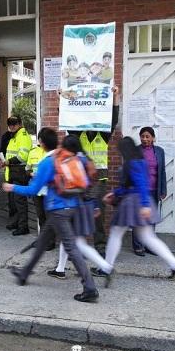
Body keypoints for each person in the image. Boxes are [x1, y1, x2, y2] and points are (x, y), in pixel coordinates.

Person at [4, 130, 100, 303]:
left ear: (41, 142)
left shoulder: (47, 162)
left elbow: (33, 190)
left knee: (70, 247)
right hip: (74, 206)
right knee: (42, 241)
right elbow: (87, 177)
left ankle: (90, 287)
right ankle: (24, 274)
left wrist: (13, 188)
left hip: (58, 210)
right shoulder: (70, 157)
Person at [91, 137, 175, 281]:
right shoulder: (140, 161)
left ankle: (106, 268)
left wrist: (144, 205)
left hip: (133, 203)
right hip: (140, 201)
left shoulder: (132, 163)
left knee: (116, 233)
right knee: (147, 237)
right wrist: (116, 193)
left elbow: (140, 184)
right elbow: (134, 185)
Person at [47, 135, 113, 282]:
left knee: (79, 243)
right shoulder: (86, 159)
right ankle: (60, 269)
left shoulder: (74, 161)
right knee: (68, 238)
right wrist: (95, 205)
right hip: (84, 204)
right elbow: (93, 183)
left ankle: (106, 268)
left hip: (76, 205)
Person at [67, 86, 120, 252]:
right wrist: (62, 98)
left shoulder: (103, 134)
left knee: (98, 212)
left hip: (99, 179)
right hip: (81, 179)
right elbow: (68, 117)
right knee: (78, 210)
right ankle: (78, 243)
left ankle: (100, 244)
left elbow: (114, 119)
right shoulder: (78, 134)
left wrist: (115, 97)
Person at [132, 127, 167, 256]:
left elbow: (162, 171)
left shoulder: (159, 151)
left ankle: (149, 245)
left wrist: (163, 189)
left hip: (154, 190)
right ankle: (138, 246)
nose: (145, 139)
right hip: (139, 191)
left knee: (151, 219)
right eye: (142, 136)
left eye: (147, 136)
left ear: (153, 138)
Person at [25, 128, 54, 250]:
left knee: (49, 216)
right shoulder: (32, 152)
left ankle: (51, 241)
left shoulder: (53, 153)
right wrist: (31, 174)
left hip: (49, 190)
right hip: (37, 189)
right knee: (40, 215)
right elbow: (27, 169)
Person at [4, 116, 32, 236]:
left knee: (20, 201)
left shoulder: (23, 136)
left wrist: (9, 161)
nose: (12, 127)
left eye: (14, 124)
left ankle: (23, 226)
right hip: (12, 171)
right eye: (10, 124)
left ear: (20, 124)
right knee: (13, 201)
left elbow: (22, 156)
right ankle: (16, 222)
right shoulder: (14, 136)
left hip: (19, 172)